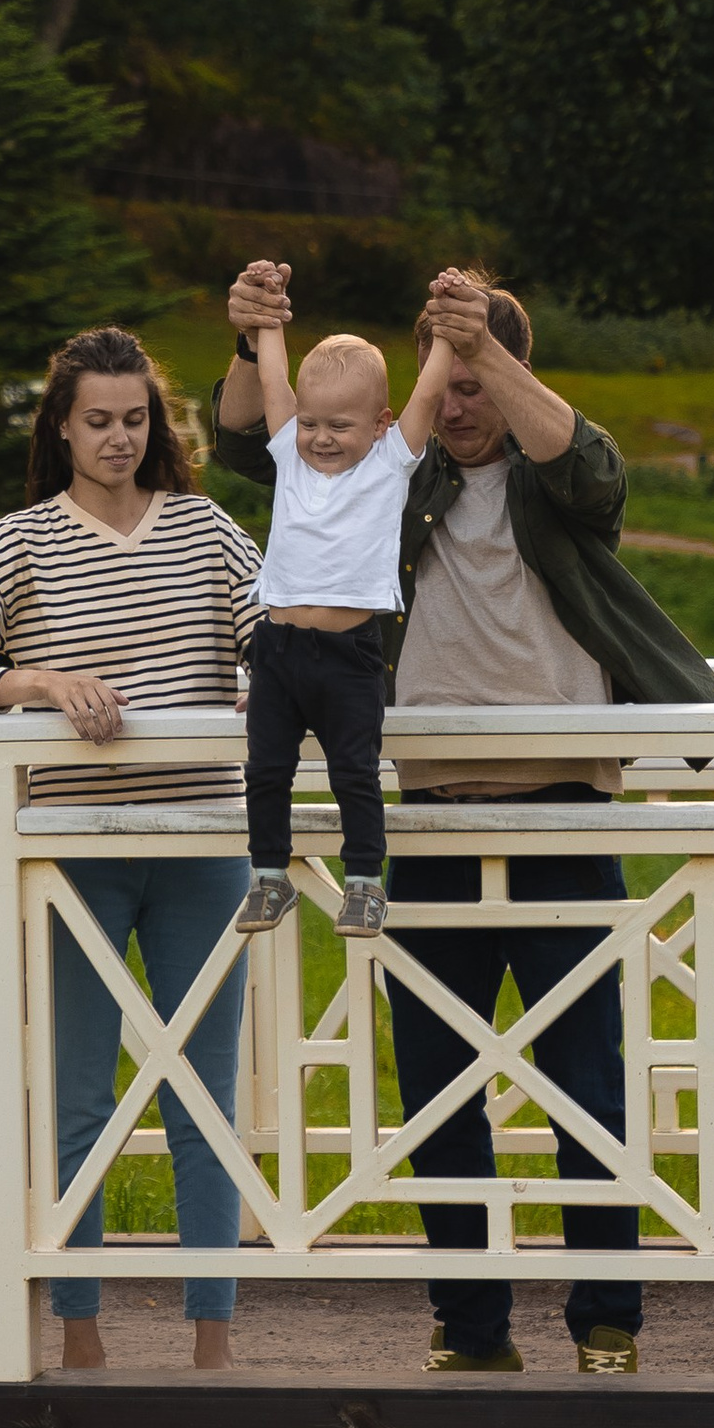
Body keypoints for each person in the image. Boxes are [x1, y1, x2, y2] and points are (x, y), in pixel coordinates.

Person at [213, 265, 714, 1378]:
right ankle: (472, 1323)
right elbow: (254, 447)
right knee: (440, 1081)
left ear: (509, 370)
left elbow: (594, 472)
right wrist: (254, 335)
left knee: (586, 1078)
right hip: (431, 816)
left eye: (476, 374)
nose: (457, 400)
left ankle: (605, 1319)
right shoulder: (391, 480)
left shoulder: (554, 474)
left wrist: (488, 343)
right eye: (442, 373)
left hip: (567, 812)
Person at [0, 327, 258, 1374]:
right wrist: (37, 683)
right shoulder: (18, 543)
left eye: (135, 420)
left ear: (157, 425)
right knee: (77, 1093)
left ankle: (211, 1341)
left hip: (203, 847)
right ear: (60, 425)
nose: (118, 438)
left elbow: (273, 631)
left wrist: (267, 675)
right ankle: (80, 1333)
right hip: (72, 860)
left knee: (203, 1092)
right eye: (97, 421)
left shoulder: (204, 529)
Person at [233, 285, 453, 940]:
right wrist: (269, 322)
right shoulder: (289, 455)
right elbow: (275, 384)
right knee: (265, 769)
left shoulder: (389, 466)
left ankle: (363, 882)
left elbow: (429, 397)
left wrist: (443, 333)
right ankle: (269, 876)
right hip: (276, 652)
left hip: (350, 652)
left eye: (339, 426)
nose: (320, 439)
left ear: (382, 424)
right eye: (310, 423)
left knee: (353, 770)